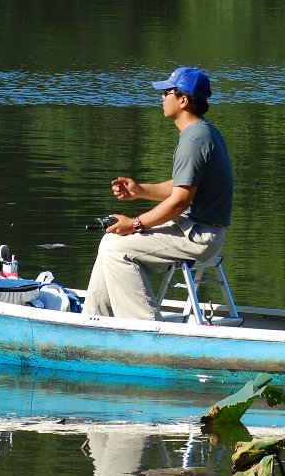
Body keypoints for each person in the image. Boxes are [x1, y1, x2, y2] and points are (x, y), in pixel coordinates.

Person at [83, 66, 233, 321]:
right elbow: (182, 186)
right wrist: (141, 191)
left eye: (167, 92)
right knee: (110, 241)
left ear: (183, 100)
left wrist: (135, 223)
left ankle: (144, 328)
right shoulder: (202, 132)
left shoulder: (193, 140)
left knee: (118, 251)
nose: (162, 97)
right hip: (194, 229)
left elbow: (180, 201)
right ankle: (95, 319)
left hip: (198, 236)